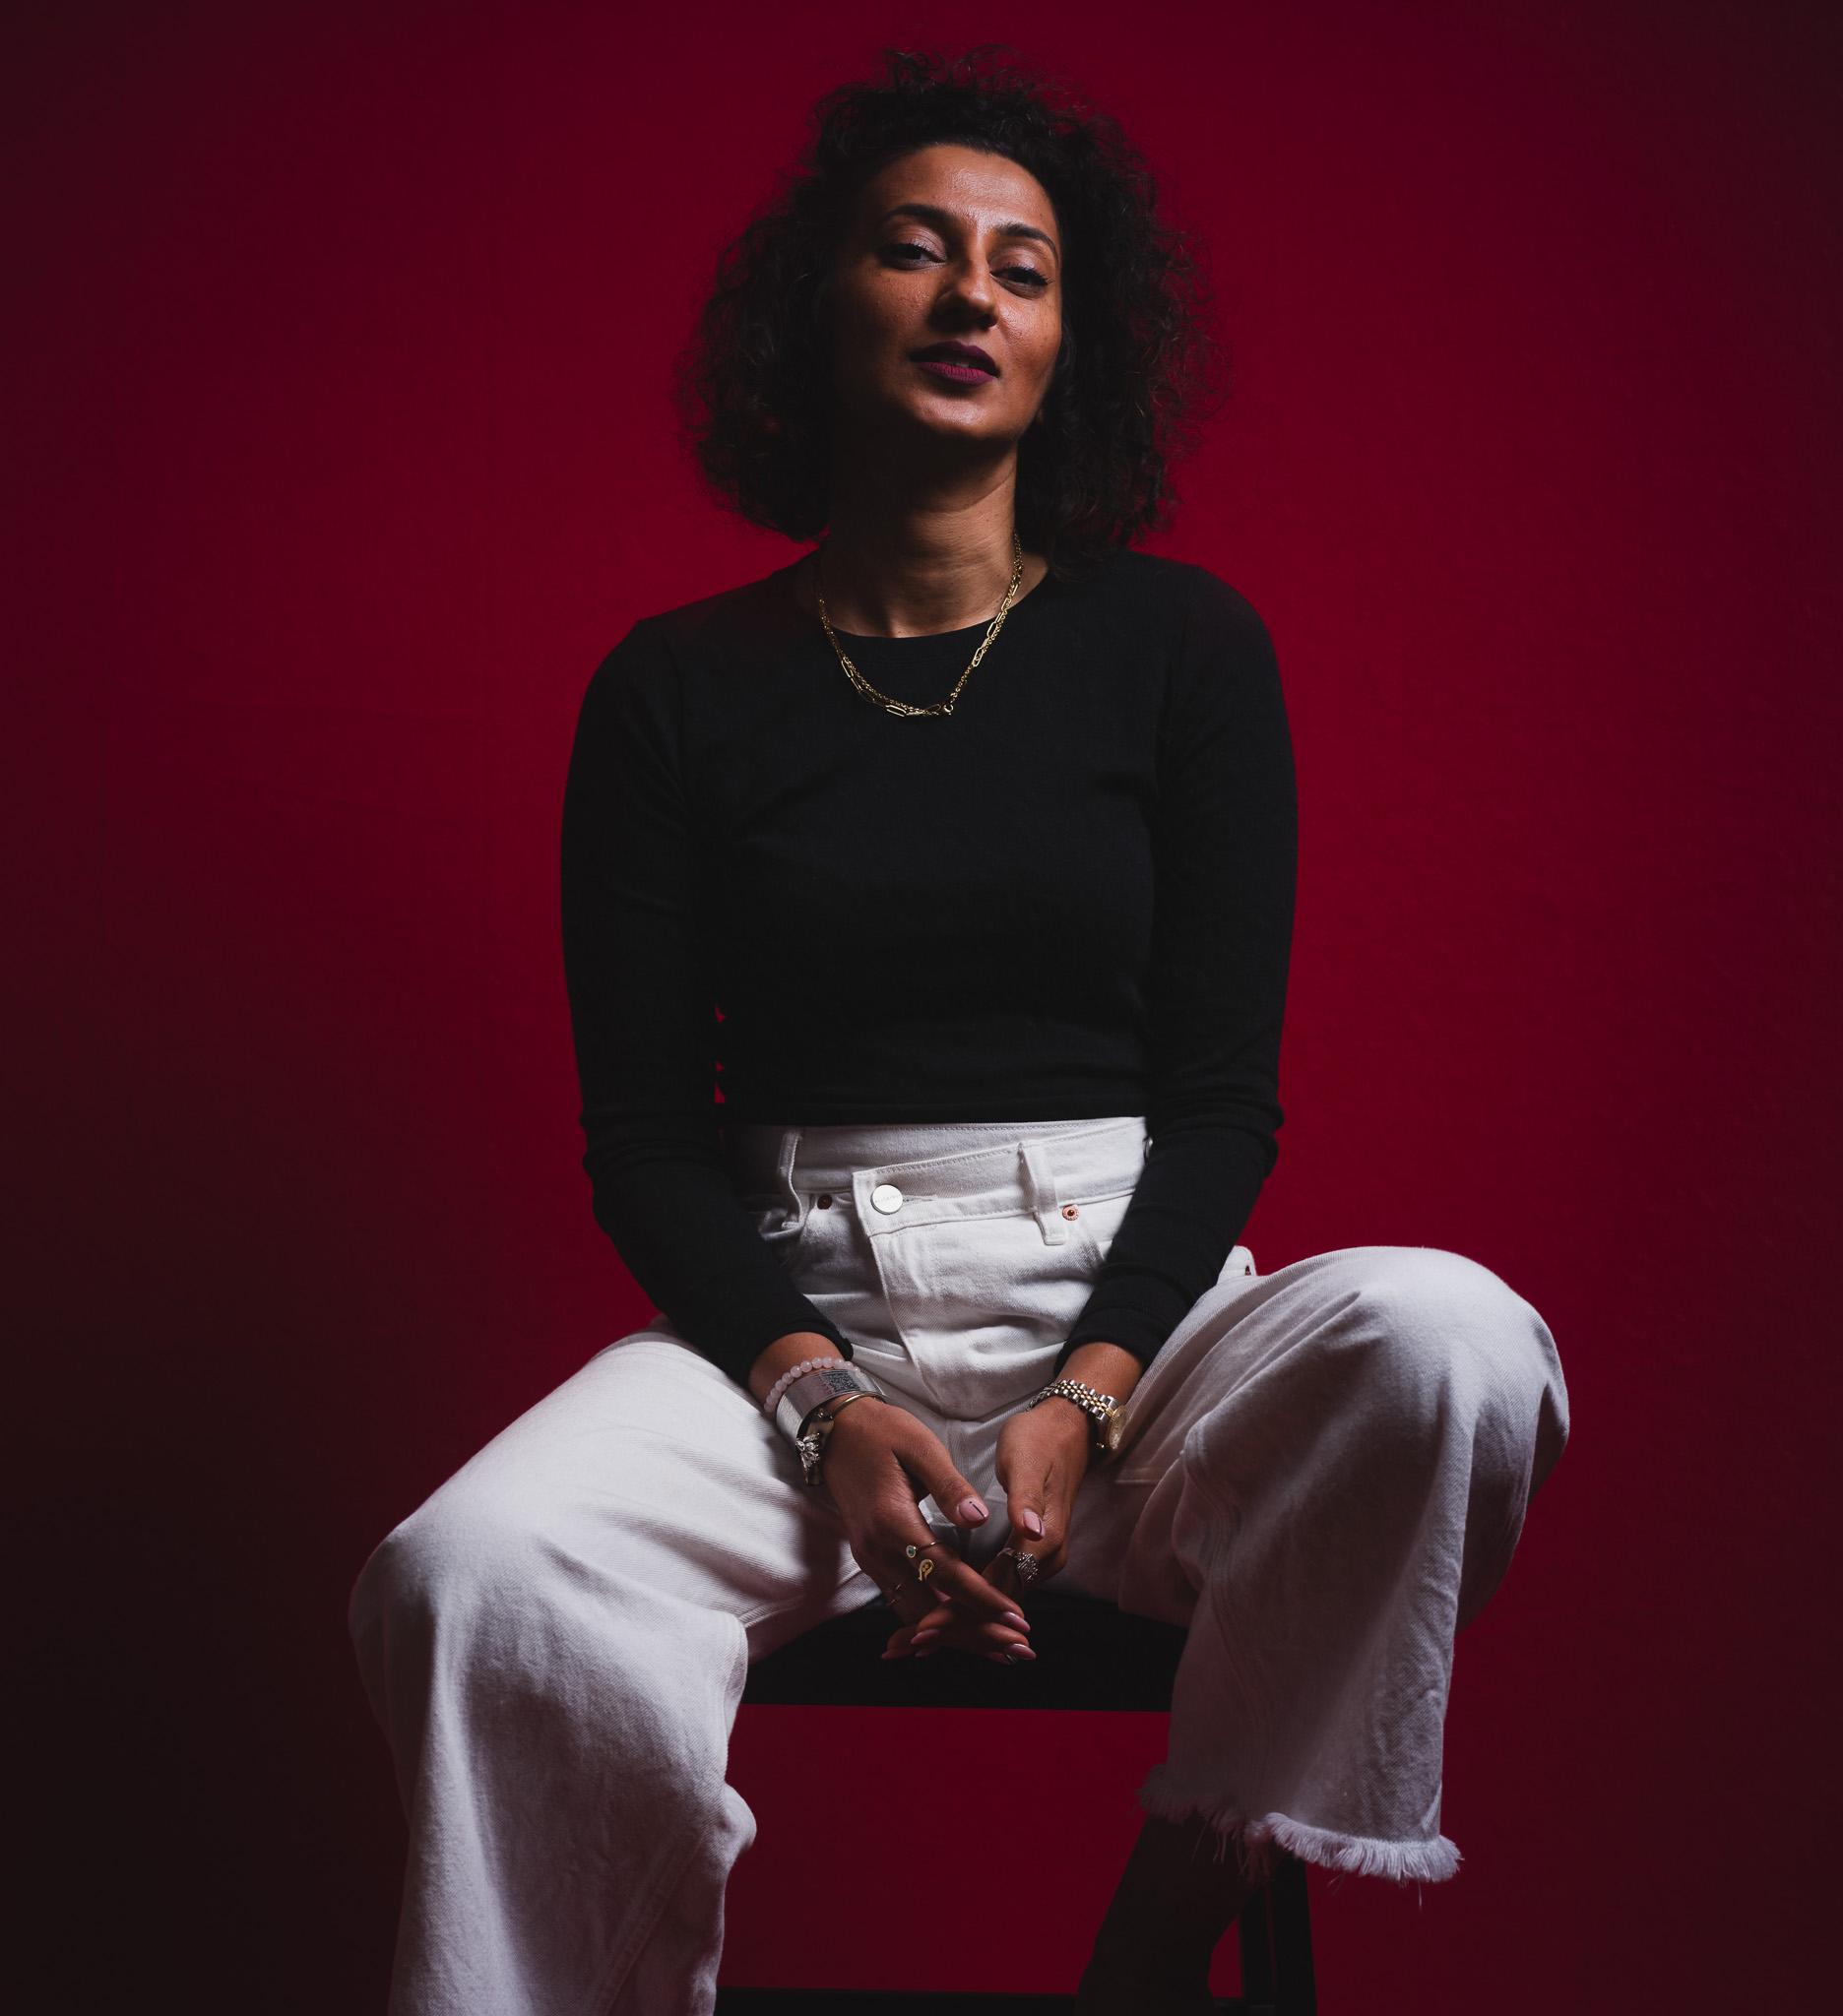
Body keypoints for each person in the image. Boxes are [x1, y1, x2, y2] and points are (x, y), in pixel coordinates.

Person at [350, 49, 1568, 2016]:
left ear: (1071, 344)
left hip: (1141, 1337)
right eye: (915, 249)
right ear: (817, 304)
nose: (970, 294)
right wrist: (823, 1405)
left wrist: (1090, 1395)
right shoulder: (673, 690)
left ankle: (1165, 1919)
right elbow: (645, 1139)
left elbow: (1222, 1100)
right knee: (464, 1575)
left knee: (1455, 1343)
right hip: (789, 1338)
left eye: (1022, 267)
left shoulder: (1184, 648)